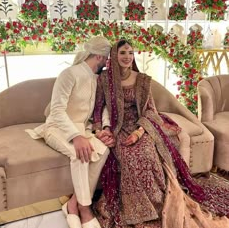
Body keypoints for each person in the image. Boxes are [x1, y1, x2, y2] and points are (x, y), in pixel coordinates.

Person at [92, 39, 229, 228]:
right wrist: (100, 130)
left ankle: (157, 205)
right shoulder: (105, 80)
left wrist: (139, 133)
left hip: (143, 126)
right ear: (114, 55)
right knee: (128, 157)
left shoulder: (142, 80)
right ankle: (137, 209)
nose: (127, 57)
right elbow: (98, 109)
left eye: (130, 53)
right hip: (118, 129)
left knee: (148, 153)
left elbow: (150, 111)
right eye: (122, 53)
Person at [26, 36, 114, 228]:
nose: (108, 63)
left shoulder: (98, 79)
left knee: (104, 149)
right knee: (79, 153)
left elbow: (102, 107)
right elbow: (57, 110)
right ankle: (85, 209)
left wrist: (103, 129)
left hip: (83, 129)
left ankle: (72, 204)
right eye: (107, 58)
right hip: (56, 127)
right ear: (99, 57)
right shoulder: (69, 74)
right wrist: (75, 136)